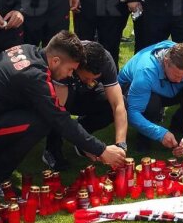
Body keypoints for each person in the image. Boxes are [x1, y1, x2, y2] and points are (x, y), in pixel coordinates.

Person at [0, 32, 127, 198]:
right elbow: (60, 120)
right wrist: (101, 150)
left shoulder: (29, 50)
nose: (70, 74)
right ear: (55, 61)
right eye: (70, 69)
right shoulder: (35, 76)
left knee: (34, 114)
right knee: (40, 122)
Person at [42, 38, 129, 171]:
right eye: (86, 78)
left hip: (85, 96)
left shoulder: (105, 60)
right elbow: (57, 114)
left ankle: (82, 137)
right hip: (61, 96)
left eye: (95, 79)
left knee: (119, 101)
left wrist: (121, 145)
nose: (90, 82)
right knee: (59, 110)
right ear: (77, 65)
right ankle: (52, 150)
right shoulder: (66, 62)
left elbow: (118, 105)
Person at [118, 40, 183, 156]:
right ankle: (143, 138)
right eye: (176, 75)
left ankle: (180, 125)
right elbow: (132, 113)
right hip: (131, 90)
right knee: (152, 104)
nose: (180, 80)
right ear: (166, 61)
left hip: (165, 89)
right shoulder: (146, 70)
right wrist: (160, 133)